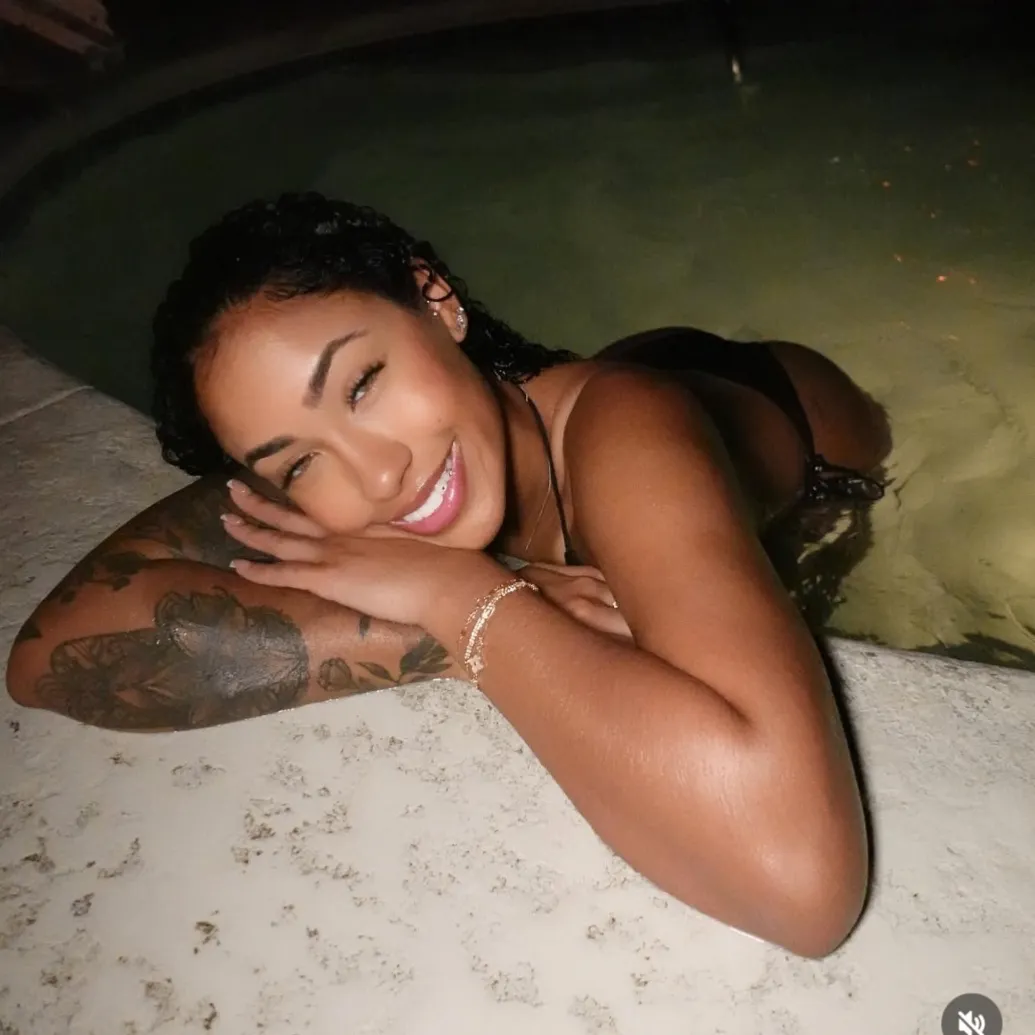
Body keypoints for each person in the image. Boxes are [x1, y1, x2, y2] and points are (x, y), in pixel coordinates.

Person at [6, 192, 890, 957]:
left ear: (436, 300)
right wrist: (465, 614)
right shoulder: (357, 474)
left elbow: (802, 887)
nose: (376, 475)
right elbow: (47, 654)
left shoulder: (627, 427)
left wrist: (466, 598)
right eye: (296, 462)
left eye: (361, 383)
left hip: (813, 441)